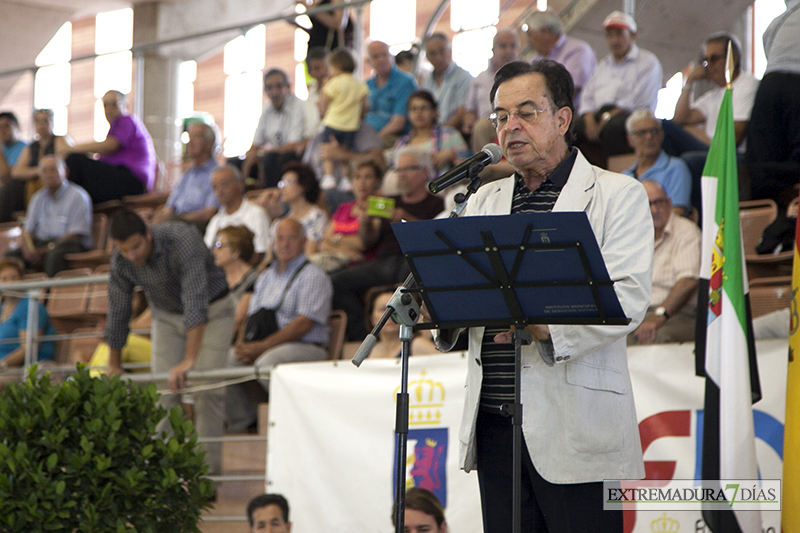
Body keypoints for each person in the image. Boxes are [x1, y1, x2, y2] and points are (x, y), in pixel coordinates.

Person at [430, 60, 652, 532]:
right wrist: (440, 305)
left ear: (563, 119)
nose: (511, 127)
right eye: (501, 116)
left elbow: (629, 298)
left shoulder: (617, 194)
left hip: (577, 425)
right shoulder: (483, 201)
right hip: (495, 422)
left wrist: (544, 325)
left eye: (526, 113)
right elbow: (460, 300)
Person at [105, 209, 236, 476]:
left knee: (205, 389)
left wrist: (188, 360)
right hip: (165, 316)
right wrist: (113, 364)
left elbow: (195, 302)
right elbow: (118, 309)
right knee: (163, 392)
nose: (133, 256)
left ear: (148, 233)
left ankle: (206, 478)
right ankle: (162, 476)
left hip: (214, 311)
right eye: (125, 250)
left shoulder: (182, 240)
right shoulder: (121, 259)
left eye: (136, 247)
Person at [226, 218, 332, 433]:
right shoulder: (266, 276)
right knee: (226, 362)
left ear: (303, 242)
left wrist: (262, 346)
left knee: (266, 363)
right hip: (266, 342)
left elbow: (303, 324)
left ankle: (291, 423)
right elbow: (251, 316)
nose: (285, 244)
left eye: (291, 238)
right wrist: (243, 345)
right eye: (280, 239)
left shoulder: (313, 274)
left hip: (306, 346)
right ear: (273, 243)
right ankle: (246, 425)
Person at [332, 145, 444, 341]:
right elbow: (367, 242)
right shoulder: (387, 201)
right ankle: (363, 337)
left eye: (407, 169)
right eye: (398, 170)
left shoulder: (437, 204)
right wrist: (365, 222)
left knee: (413, 281)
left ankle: (418, 338)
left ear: (424, 172)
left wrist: (405, 218)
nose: (401, 175)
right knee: (336, 282)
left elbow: (436, 238)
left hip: (415, 261)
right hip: (384, 262)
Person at [575, 11, 663, 167]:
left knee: (612, 129)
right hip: (601, 114)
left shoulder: (648, 62)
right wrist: (589, 121)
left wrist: (606, 119)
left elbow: (636, 102)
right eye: (609, 35)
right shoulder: (603, 65)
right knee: (570, 128)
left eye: (619, 34)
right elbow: (587, 96)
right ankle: (585, 171)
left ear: (633, 35)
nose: (614, 40)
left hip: (631, 115)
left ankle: (616, 171)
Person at [629, 181, 700, 345]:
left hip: (680, 313)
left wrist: (659, 316)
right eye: (647, 204)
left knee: (656, 336)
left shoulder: (686, 232)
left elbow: (688, 282)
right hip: (639, 313)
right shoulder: (634, 235)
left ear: (669, 203)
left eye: (658, 202)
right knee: (606, 341)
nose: (654, 210)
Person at [747, 0, 800, 202]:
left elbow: (767, 44)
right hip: (795, 85)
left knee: (762, 160)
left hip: (770, 86)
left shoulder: (779, 22)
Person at [63, 90, 156, 203]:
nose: (109, 109)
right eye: (105, 105)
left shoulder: (127, 120)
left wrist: (71, 148)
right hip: (121, 178)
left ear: (126, 105)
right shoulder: (114, 129)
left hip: (132, 181)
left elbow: (110, 146)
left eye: (114, 104)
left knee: (75, 161)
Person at [6, 155, 92, 277]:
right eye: (44, 171)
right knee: (10, 257)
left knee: (53, 255)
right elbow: (27, 231)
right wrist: (28, 249)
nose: (48, 174)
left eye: (53, 169)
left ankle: (49, 294)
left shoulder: (78, 196)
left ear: (65, 172)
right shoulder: (37, 198)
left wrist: (46, 249)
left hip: (68, 244)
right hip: (41, 244)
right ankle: (12, 295)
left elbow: (76, 235)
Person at [1, 109, 73, 222]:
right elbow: (17, 171)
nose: (42, 125)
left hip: (57, 184)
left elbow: (59, 165)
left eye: (45, 121)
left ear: (52, 122)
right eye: (38, 122)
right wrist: (40, 171)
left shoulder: (60, 140)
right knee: (12, 184)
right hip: (36, 187)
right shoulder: (32, 147)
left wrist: (44, 172)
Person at [315, 158, 383, 272]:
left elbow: (362, 244)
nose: (362, 182)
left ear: (377, 181)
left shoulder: (378, 207)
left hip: (363, 264)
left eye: (368, 177)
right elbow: (323, 244)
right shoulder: (343, 208)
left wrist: (335, 239)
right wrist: (342, 250)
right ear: (351, 181)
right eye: (357, 177)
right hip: (338, 258)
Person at [242, 69, 308, 188]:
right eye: (270, 88)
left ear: (288, 87)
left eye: (279, 86)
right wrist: (250, 157)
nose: (274, 92)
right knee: (236, 163)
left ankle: (273, 195)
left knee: (271, 158)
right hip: (271, 155)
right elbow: (256, 143)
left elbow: (293, 145)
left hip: (293, 156)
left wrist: (263, 153)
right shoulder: (267, 109)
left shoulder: (299, 106)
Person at [623, 109, 692, 216]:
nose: (649, 137)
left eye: (654, 131)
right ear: (630, 139)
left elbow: (677, 213)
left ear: (662, 134)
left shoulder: (676, 168)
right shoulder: (625, 177)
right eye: (641, 133)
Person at [317, 47, 370, 188]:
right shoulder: (360, 84)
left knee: (327, 151)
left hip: (333, 122)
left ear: (337, 66)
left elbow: (324, 102)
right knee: (344, 152)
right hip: (351, 126)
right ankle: (346, 180)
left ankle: (329, 177)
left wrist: (322, 111)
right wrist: (359, 115)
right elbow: (366, 106)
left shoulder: (333, 82)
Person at [525, 9, 596, 109]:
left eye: (530, 35)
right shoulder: (535, 58)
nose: (529, 41)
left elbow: (568, 92)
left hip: (574, 114)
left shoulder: (578, 50)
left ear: (545, 32)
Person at [463, 28, 520, 154]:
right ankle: (485, 170)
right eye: (503, 46)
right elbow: (470, 110)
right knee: (480, 126)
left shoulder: (526, 76)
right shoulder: (479, 79)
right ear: (493, 50)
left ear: (518, 49)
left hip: (517, 119)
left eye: (512, 46)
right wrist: (468, 121)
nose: (508, 51)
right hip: (489, 123)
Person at [152, 121, 220, 227]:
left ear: (209, 142)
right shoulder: (188, 174)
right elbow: (170, 206)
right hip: (174, 223)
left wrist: (176, 219)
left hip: (193, 227)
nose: (190, 142)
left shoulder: (217, 174)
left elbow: (209, 213)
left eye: (196, 137)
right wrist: (157, 216)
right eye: (189, 137)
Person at [258, 162, 329, 262]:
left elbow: (310, 255)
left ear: (303, 185)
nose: (283, 188)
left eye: (288, 182)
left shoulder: (317, 216)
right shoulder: (279, 222)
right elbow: (268, 258)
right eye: (281, 183)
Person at [392, 90, 470, 178]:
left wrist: (452, 155)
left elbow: (469, 163)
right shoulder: (402, 143)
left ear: (434, 112)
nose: (418, 112)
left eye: (424, 108)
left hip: (445, 189)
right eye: (414, 109)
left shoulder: (449, 134)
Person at [0, 257, 56, 374]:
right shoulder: (2, 307)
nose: (10, 283)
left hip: (22, 368)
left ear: (22, 279)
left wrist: (3, 364)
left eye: (14, 278)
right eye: (4, 279)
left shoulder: (30, 305)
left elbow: (28, 349)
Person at [204, 165, 271, 257]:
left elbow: (261, 252)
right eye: (215, 187)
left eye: (224, 184)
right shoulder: (215, 221)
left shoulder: (256, 214)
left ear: (239, 184)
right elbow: (208, 254)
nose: (220, 191)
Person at [364, 40, 419, 148]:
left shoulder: (405, 82)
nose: (381, 59)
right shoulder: (366, 85)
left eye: (384, 54)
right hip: (367, 136)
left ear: (391, 56)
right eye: (375, 56)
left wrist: (374, 140)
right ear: (368, 61)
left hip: (393, 137)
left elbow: (398, 123)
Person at [359, 287, 436, 359]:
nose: (390, 315)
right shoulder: (371, 349)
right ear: (372, 318)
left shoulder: (418, 344)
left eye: (396, 308)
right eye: (383, 309)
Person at [211, 225, 260, 336]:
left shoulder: (254, 279)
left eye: (219, 245)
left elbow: (238, 319)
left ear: (236, 251)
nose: (214, 251)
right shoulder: (215, 278)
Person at [420, 33, 473, 132]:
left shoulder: (463, 77)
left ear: (450, 51)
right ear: (427, 56)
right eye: (432, 53)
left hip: (454, 132)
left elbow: (462, 112)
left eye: (442, 51)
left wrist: (440, 133)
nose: (438, 58)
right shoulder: (426, 81)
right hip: (430, 133)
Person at [303, 46, 330, 139]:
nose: (323, 72)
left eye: (325, 67)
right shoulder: (311, 90)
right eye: (317, 68)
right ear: (310, 73)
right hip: (310, 140)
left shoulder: (338, 90)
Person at [0, 111, 27, 183]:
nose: (3, 130)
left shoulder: (26, 148)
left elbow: (6, 175)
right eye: (0, 127)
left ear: (17, 126)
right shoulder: (3, 148)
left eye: (6, 126)